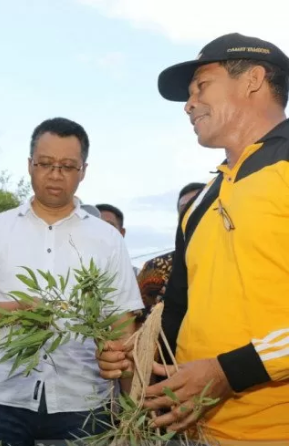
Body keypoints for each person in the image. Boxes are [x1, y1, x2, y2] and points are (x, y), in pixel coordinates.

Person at [98, 33, 289, 442]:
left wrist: (228, 372)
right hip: (194, 429)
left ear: (253, 79)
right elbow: (179, 309)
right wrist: (138, 350)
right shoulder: (201, 201)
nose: (189, 104)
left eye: (202, 86)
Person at [0, 117, 144, 445]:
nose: (56, 174)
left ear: (83, 170)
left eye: (68, 166)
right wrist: (19, 311)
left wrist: (132, 406)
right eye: (45, 163)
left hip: (83, 402)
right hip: (2, 398)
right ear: (29, 165)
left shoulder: (107, 239)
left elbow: (123, 325)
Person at [135, 182, 205, 315]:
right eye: (185, 208)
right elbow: (135, 319)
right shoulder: (156, 268)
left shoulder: (237, 261)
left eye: (198, 206)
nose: (191, 213)